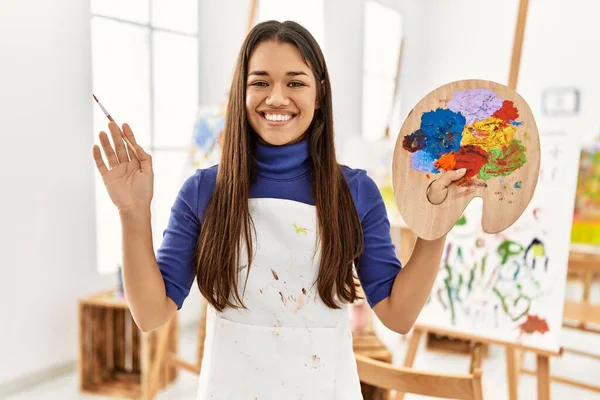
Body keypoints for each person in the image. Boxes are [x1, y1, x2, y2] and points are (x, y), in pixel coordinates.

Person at [93, 20, 466, 400]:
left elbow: (397, 315)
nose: (276, 98)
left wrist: (436, 227)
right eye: (260, 82)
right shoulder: (203, 191)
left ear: (319, 94)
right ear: (241, 93)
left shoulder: (355, 192)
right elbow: (151, 314)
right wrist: (133, 212)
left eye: (295, 82)